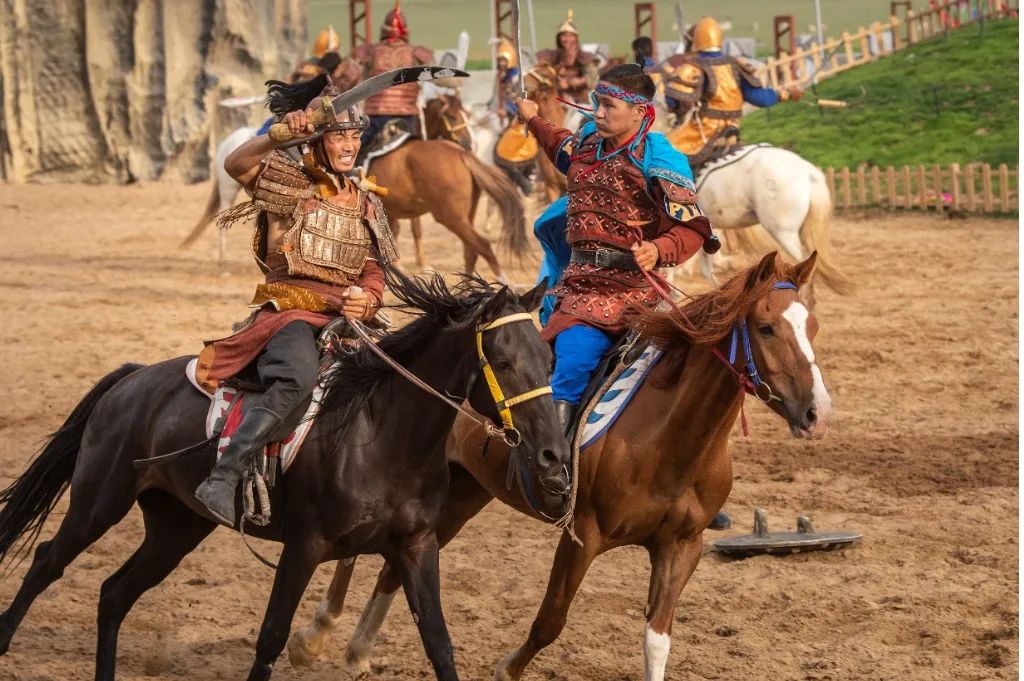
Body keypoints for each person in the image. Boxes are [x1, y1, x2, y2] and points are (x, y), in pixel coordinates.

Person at [193, 75, 399, 525]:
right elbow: (236, 164)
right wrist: (278, 135)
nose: (349, 145)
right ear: (318, 142)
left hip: (351, 321)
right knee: (296, 379)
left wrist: (369, 298)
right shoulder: (289, 183)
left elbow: (373, 267)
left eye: (354, 135)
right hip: (289, 315)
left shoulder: (366, 202)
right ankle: (225, 476)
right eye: (339, 135)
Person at [516, 63, 717, 428]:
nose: (598, 113)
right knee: (571, 367)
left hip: (638, 292)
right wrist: (532, 118)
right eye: (596, 103)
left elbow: (694, 229)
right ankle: (554, 467)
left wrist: (658, 249)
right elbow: (558, 142)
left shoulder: (658, 158)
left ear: (640, 112)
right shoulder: (588, 144)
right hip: (582, 290)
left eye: (608, 105)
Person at [659, 16, 798, 169]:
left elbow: (673, 100)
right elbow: (760, 98)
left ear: (696, 41)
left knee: (661, 153)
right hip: (733, 129)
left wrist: (678, 110)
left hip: (702, 133)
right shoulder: (735, 65)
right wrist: (785, 94)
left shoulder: (693, 67)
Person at [351, 0, 434, 153]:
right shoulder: (416, 53)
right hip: (407, 117)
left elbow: (351, 78)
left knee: (355, 155)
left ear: (384, 29)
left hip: (377, 116)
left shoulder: (370, 51)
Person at [492, 38, 537, 195]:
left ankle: (525, 182)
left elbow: (523, 99)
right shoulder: (503, 77)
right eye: (499, 60)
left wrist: (509, 111)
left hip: (520, 119)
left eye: (503, 59)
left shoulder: (517, 77)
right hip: (509, 118)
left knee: (500, 153)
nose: (501, 63)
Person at [536, 10, 599, 112]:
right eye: (563, 35)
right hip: (557, 100)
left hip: (579, 101)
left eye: (570, 36)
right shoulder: (552, 56)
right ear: (559, 38)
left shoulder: (584, 56)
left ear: (575, 38)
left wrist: (572, 82)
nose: (566, 39)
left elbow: (592, 78)